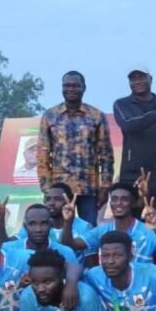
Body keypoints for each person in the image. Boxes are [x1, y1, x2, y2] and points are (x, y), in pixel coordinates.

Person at [37, 70, 115, 226]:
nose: (71, 89)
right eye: (66, 86)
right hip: (59, 189)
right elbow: (42, 155)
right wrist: (47, 189)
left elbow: (106, 155)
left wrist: (105, 187)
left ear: (83, 88)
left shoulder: (96, 116)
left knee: (88, 232)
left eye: (75, 86)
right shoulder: (50, 116)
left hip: (88, 188)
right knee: (59, 231)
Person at [113, 65, 156, 212]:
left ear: (150, 79)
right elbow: (129, 125)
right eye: (133, 79)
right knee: (130, 219)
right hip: (131, 175)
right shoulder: (121, 104)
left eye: (141, 77)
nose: (137, 81)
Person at [61, 182, 156, 265]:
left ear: (133, 203)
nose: (118, 203)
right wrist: (68, 222)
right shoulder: (102, 231)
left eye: (124, 199)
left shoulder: (147, 231)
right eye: (114, 199)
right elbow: (70, 244)